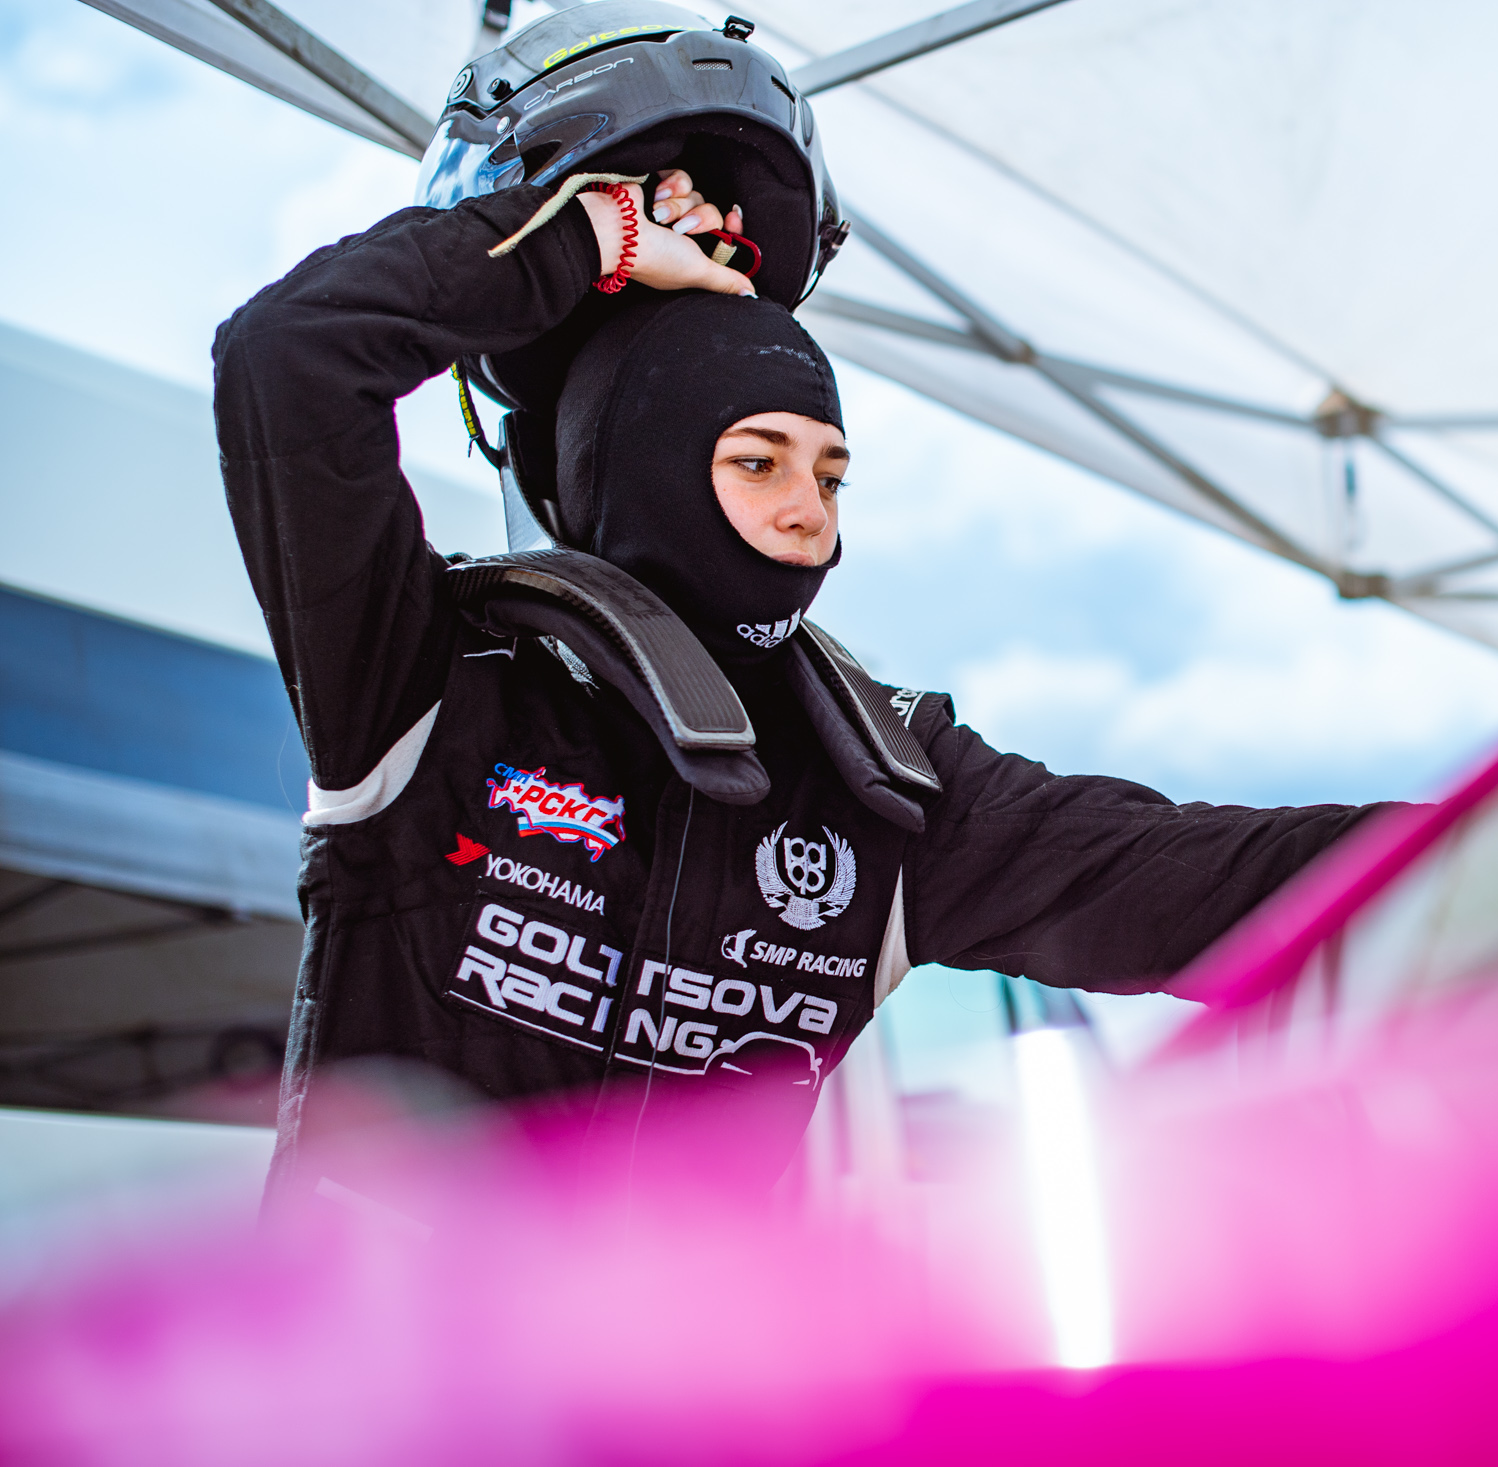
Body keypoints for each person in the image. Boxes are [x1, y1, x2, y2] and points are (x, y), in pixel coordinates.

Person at [217, 161, 1385, 1205]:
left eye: (830, 476)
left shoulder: (886, 786)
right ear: (637, 470)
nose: (805, 516)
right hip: (347, 1366)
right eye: (756, 462)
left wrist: (1496, 844)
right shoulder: (428, 677)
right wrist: (595, 233)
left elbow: (1227, 885)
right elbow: (289, 358)